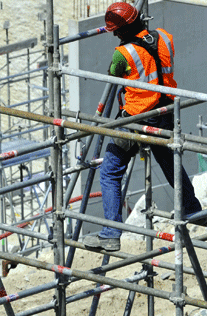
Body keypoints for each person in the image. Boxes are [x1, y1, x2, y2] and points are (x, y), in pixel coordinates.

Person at [83, 2, 203, 252]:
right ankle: (194, 210)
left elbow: (113, 77)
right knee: (172, 166)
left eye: (116, 30)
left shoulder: (123, 53)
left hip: (136, 120)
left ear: (124, 28)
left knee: (110, 172)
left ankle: (110, 234)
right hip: (165, 114)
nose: (114, 34)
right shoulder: (164, 37)